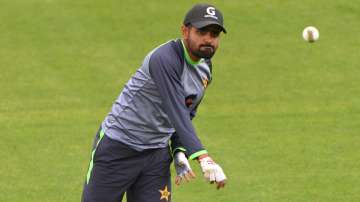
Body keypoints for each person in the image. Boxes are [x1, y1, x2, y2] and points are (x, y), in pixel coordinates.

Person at [81, 3, 227, 202]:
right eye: (202, 32)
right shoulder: (165, 59)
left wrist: (178, 150)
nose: (208, 39)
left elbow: (187, 113)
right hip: (118, 148)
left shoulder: (205, 69)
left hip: (155, 155)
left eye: (214, 34)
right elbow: (176, 109)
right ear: (185, 31)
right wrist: (203, 158)